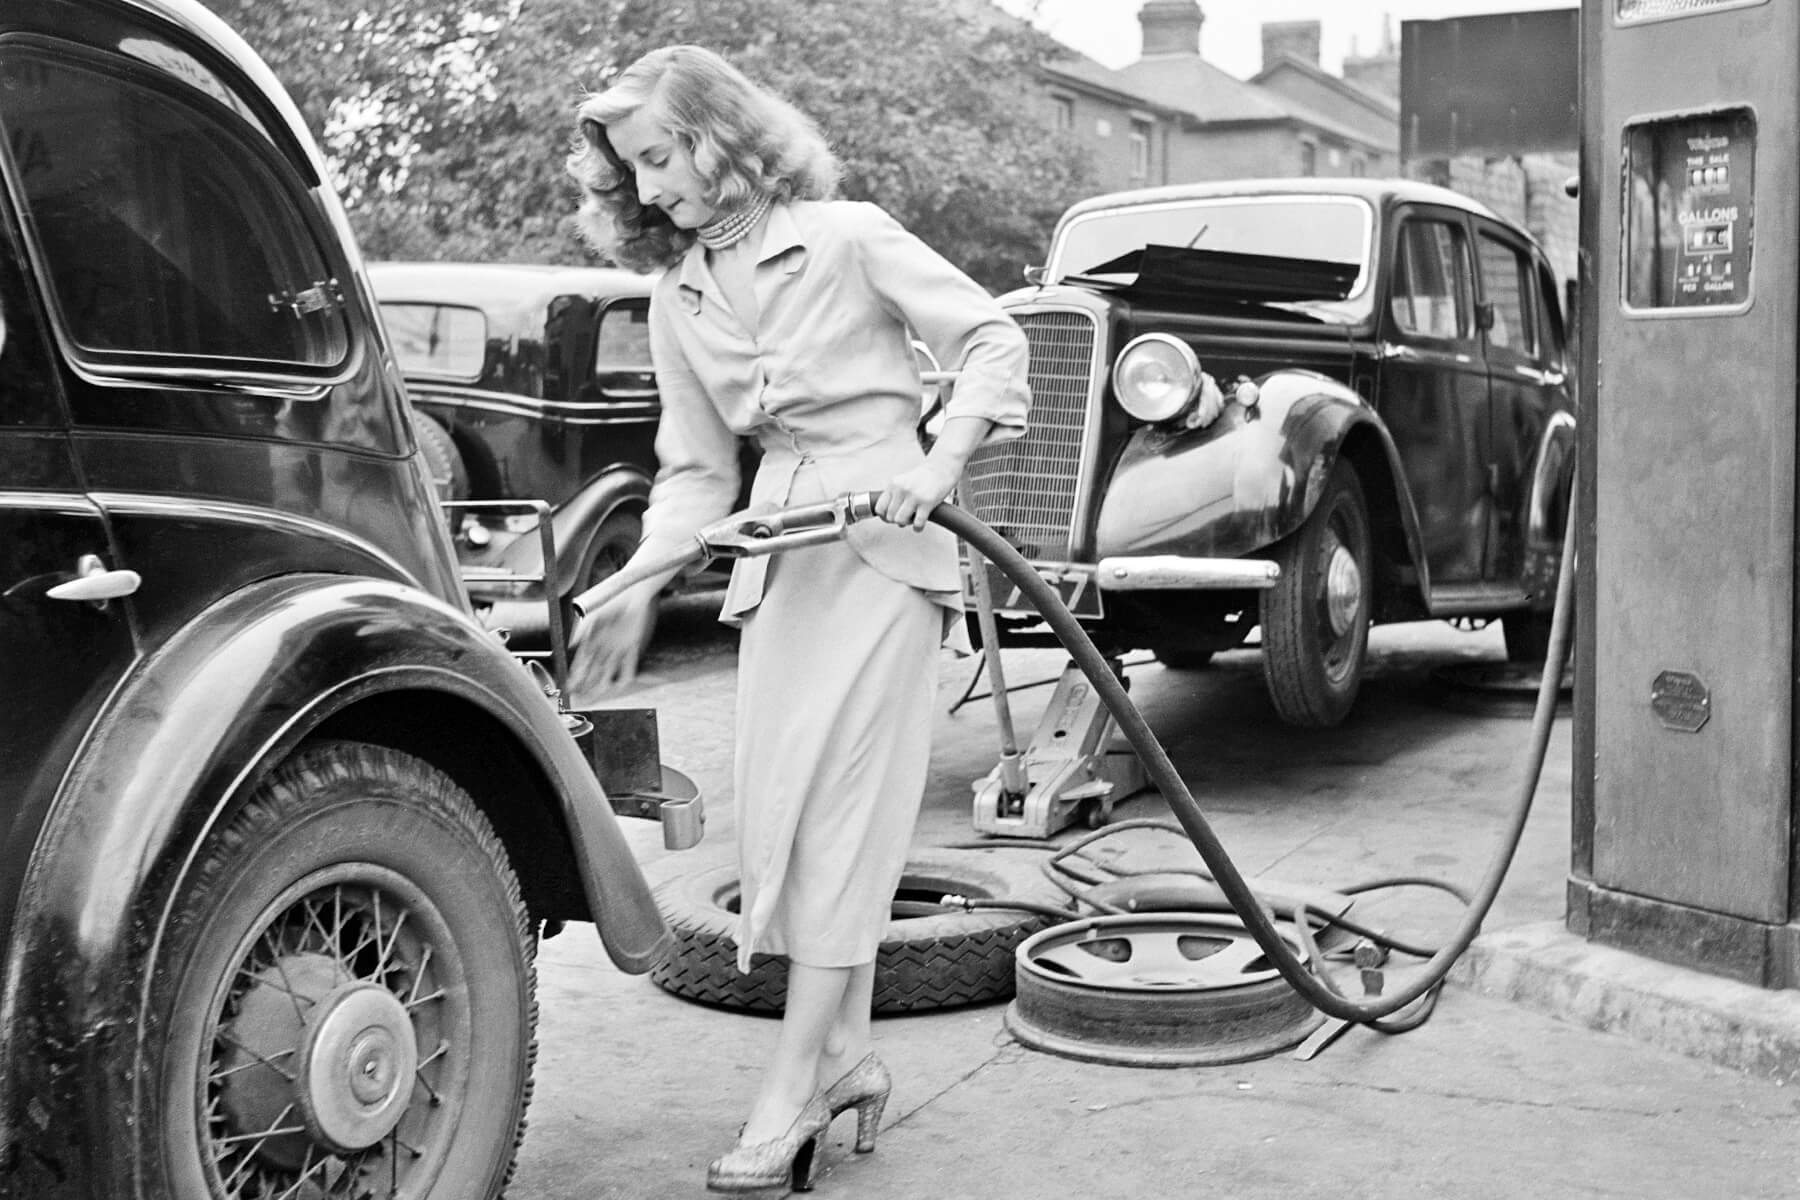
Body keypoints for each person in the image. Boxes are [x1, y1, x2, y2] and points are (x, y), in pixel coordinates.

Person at [564, 44, 1030, 1194]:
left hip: (879, 543)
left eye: (663, 156)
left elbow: (993, 340)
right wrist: (635, 576)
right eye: (634, 171)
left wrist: (939, 455)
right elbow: (692, 469)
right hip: (777, 562)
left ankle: (789, 1095)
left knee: (842, 815)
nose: (652, 187)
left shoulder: (849, 236)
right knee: (785, 821)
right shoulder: (676, 298)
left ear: (721, 136)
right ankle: (854, 1055)